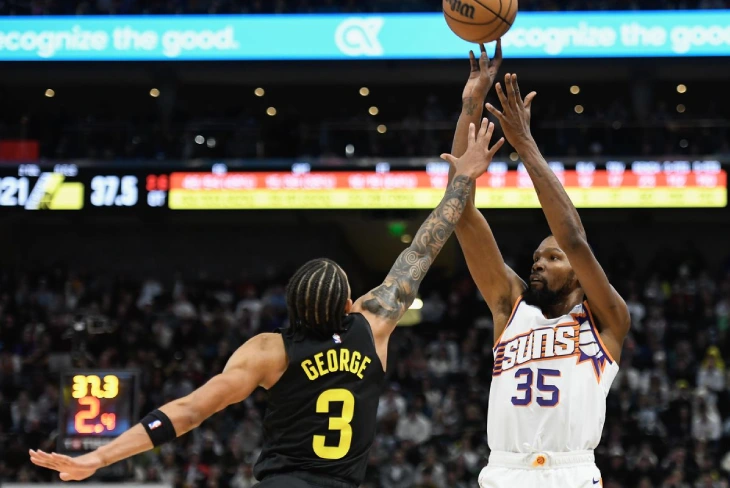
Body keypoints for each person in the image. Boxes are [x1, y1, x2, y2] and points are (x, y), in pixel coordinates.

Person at [29, 120, 504, 487]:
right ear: (347, 308)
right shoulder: (372, 325)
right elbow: (422, 248)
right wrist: (462, 179)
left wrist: (97, 456)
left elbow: (188, 411)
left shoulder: (267, 351)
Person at [442, 46, 631, 487]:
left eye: (552, 258)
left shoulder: (607, 321)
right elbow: (461, 211)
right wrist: (472, 101)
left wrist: (525, 145)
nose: (538, 264)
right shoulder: (511, 307)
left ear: (580, 275)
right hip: (504, 470)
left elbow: (573, 238)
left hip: (572, 472)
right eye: (535, 259)